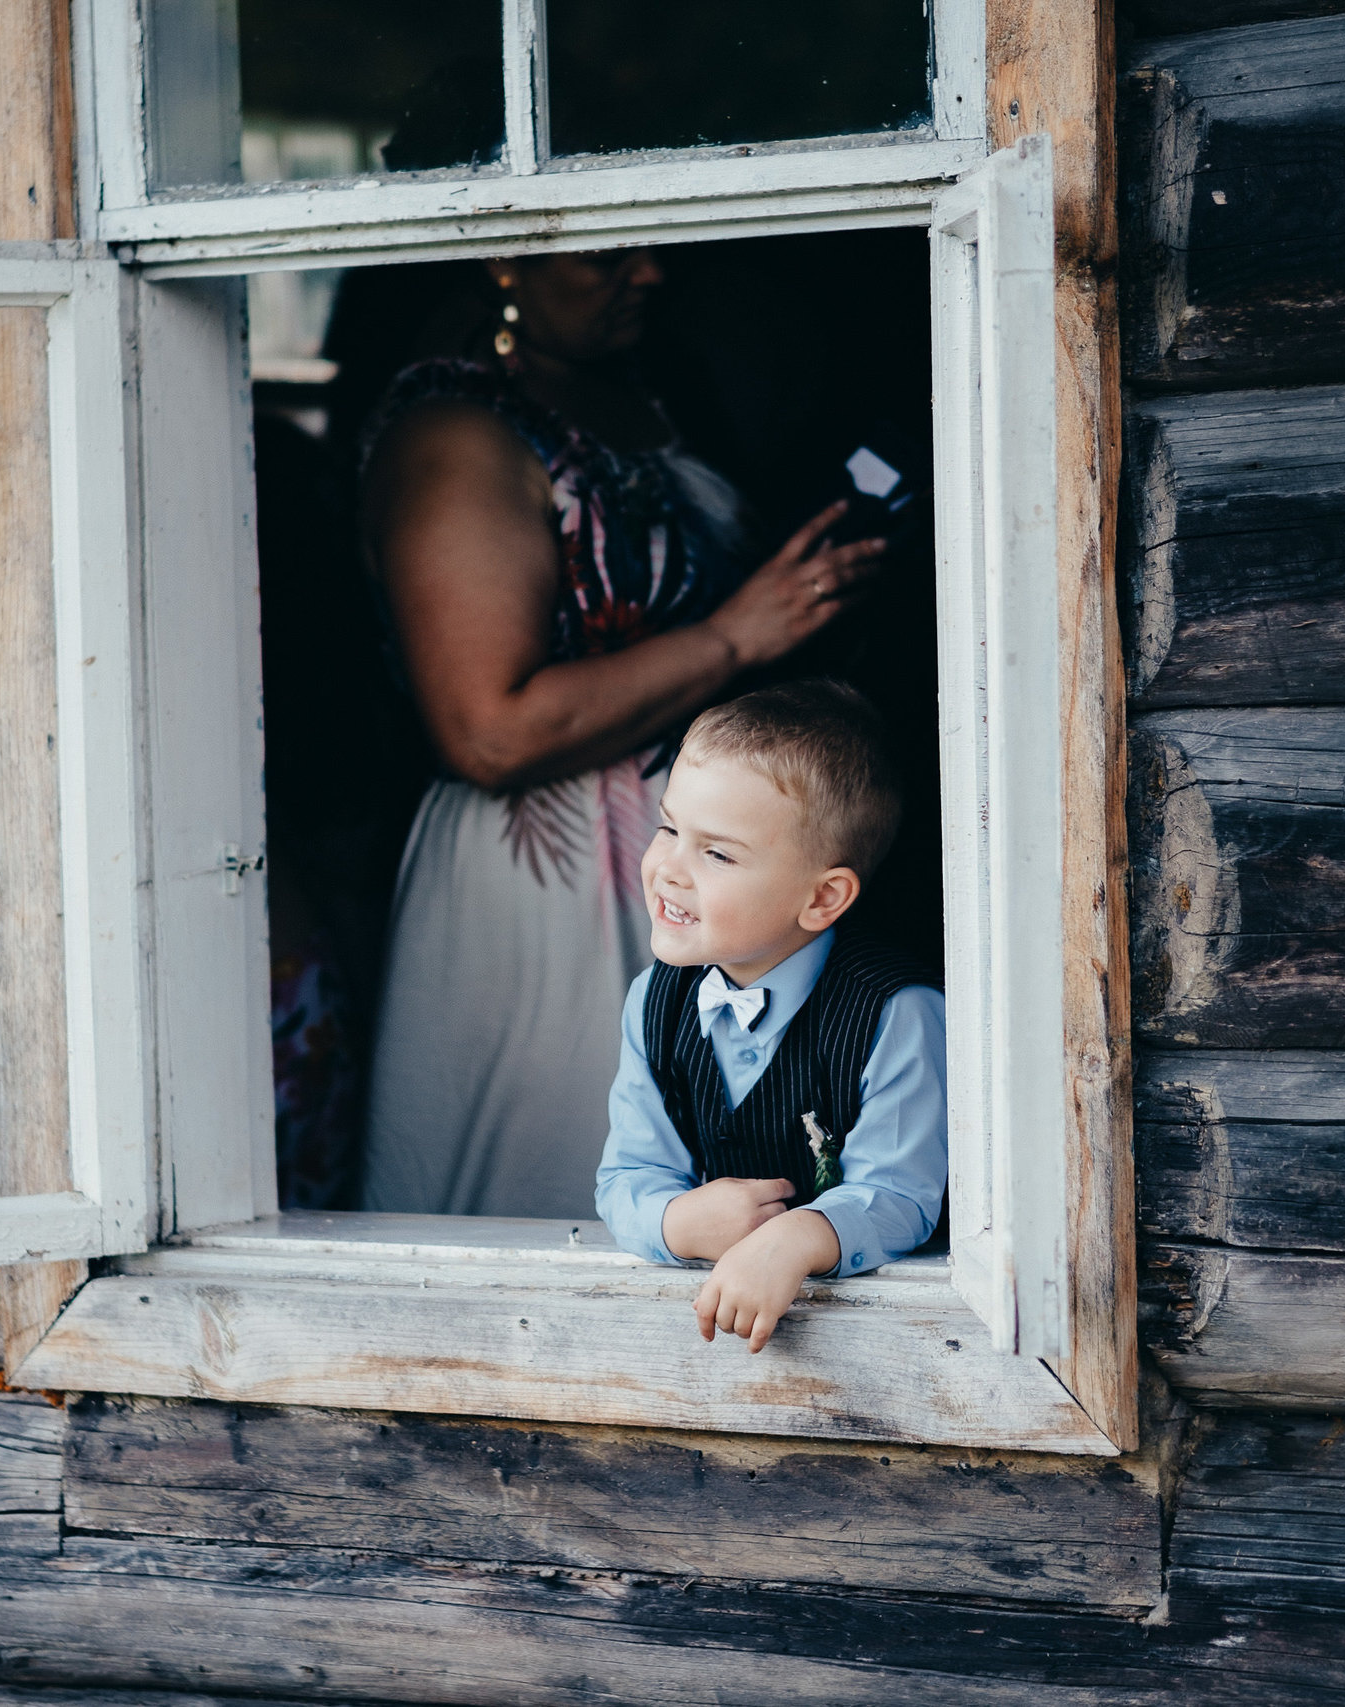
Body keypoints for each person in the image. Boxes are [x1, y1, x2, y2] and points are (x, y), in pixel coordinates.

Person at [357, 249, 888, 1219]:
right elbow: (487, 732)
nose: (648, 274)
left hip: (688, 841)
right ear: (505, 258)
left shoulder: (638, 396)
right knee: (557, 1167)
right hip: (553, 873)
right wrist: (739, 633)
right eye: (606, 254)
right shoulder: (459, 432)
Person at [594, 680, 945, 1351]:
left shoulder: (896, 1012)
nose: (669, 867)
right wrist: (674, 1222)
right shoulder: (656, 1001)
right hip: (705, 1340)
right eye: (669, 827)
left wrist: (797, 1236)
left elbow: (900, 1193)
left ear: (821, 898)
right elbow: (627, 1175)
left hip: (884, 1344)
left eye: (717, 852)